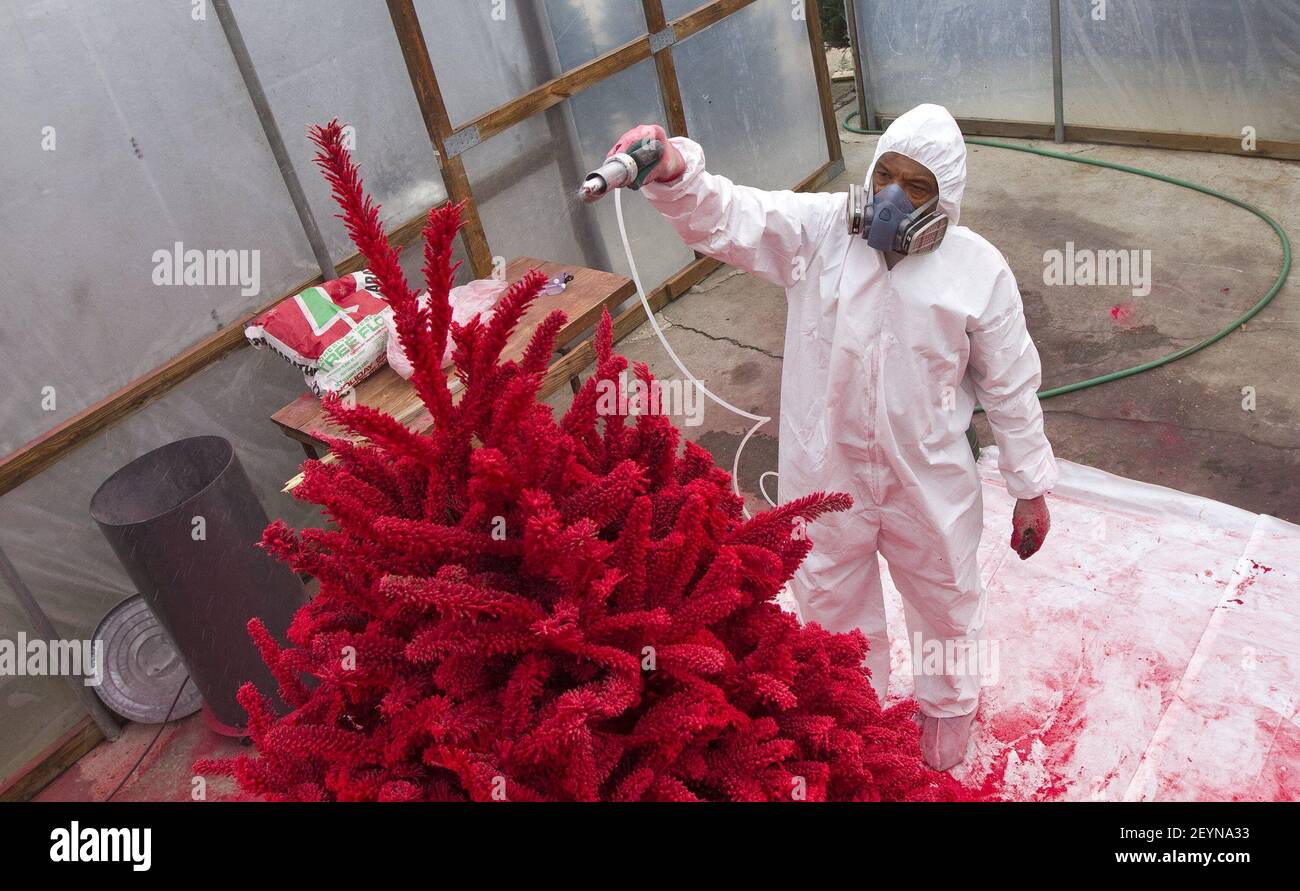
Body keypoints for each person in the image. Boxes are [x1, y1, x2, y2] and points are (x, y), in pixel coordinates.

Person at [609, 103, 1057, 771]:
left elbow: (1012, 386)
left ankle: (943, 754)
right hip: (827, 472)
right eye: (888, 176)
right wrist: (676, 175)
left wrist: (1030, 488)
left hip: (928, 480)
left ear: (948, 199)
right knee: (829, 612)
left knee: (948, 606)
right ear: (871, 173)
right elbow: (734, 217)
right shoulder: (820, 231)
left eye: (919, 187)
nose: (894, 199)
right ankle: (858, 747)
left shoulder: (977, 271)